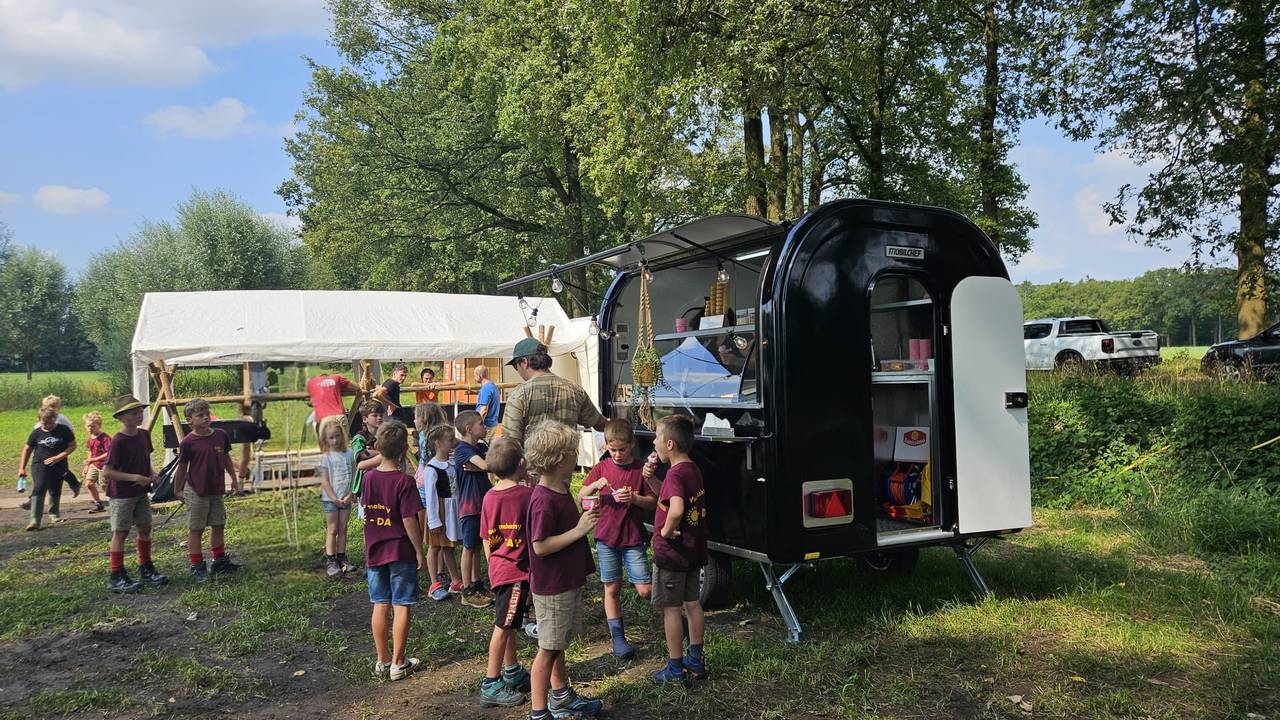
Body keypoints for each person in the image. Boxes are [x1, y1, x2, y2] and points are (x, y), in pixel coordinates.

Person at [525, 420, 603, 720]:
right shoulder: (543, 500)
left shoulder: (558, 487)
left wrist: (583, 514)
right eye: (572, 451)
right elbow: (540, 546)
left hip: (565, 580)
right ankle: (539, 711)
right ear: (560, 459)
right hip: (553, 586)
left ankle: (560, 695)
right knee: (548, 649)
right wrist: (579, 530)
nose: (576, 454)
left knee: (557, 644)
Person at [578, 419, 654, 659]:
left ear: (632, 444)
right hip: (606, 537)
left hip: (632, 536)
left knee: (644, 589)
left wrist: (635, 499)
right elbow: (581, 493)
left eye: (622, 449)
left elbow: (653, 502)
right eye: (613, 450)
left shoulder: (639, 469)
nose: (618, 455)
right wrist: (595, 486)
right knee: (612, 587)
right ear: (606, 448)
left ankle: (677, 614)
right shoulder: (602, 468)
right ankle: (618, 638)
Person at [361, 420, 425, 681]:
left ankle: (382, 659)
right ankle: (399, 662)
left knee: (380, 604)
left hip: (374, 551)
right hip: (400, 551)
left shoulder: (368, 478)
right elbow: (410, 519)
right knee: (401, 605)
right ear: (403, 451)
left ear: (377, 447)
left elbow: (366, 512)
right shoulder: (404, 482)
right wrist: (419, 550)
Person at [649, 415, 709, 683]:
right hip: (693, 551)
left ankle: (675, 668)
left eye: (657, 437)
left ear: (670, 444)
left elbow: (677, 508)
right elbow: (672, 497)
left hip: (672, 555)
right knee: (692, 604)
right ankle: (695, 660)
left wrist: (664, 530)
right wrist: (651, 483)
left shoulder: (674, 474)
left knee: (671, 610)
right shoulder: (692, 469)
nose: (653, 441)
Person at [477, 437, 533, 708]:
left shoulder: (489, 496)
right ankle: (491, 682)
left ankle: (511, 670)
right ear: (522, 463)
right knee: (503, 626)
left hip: (498, 568)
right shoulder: (526, 496)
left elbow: (486, 537)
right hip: (515, 573)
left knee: (509, 622)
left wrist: (492, 564)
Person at [100, 395, 168, 593]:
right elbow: (108, 472)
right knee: (121, 532)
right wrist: (134, 478)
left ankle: (146, 568)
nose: (140, 415)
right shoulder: (118, 441)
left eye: (140, 411)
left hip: (140, 492)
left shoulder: (144, 435)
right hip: (122, 494)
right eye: (134, 412)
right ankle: (116, 575)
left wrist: (152, 473)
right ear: (121, 417)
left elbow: (146, 459)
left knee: (145, 527)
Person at [173, 398, 240, 583]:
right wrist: (177, 489)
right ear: (190, 420)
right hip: (196, 490)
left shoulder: (220, 435)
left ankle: (219, 561)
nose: (205, 418)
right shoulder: (188, 442)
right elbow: (182, 466)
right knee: (197, 528)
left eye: (207, 414)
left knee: (218, 524)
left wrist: (233, 479)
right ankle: (197, 566)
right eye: (200, 415)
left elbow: (226, 458)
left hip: (216, 489)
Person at [500, 338, 607, 446]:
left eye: (515, 366)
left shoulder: (519, 395)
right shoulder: (575, 390)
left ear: (524, 362)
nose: (517, 370)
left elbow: (509, 442)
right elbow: (600, 424)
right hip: (567, 462)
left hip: (531, 462)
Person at [452, 410, 494, 608]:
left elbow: (486, 465)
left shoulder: (480, 447)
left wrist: (483, 467)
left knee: (477, 546)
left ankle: (477, 583)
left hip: (482, 505)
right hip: (470, 506)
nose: (484, 427)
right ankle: (467, 588)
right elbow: (487, 465)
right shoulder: (463, 450)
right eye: (481, 424)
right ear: (469, 429)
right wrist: (484, 467)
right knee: (469, 547)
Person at [422, 423, 463, 600]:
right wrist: (433, 521)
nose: (454, 442)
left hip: (451, 510)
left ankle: (455, 580)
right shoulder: (432, 468)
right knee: (435, 546)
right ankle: (434, 584)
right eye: (450, 440)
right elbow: (431, 496)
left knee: (448, 547)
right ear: (438, 443)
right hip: (439, 511)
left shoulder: (452, 463)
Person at [19, 406, 77, 530]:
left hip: (59, 463)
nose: (48, 426)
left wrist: (60, 456)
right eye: (44, 423)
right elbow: (27, 449)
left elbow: (72, 445)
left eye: (50, 423)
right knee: (39, 486)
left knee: (55, 488)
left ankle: (54, 515)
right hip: (39, 464)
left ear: (55, 419)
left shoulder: (64, 430)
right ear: (39, 420)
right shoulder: (36, 433)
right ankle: (35, 520)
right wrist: (21, 468)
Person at [316, 415, 357, 577]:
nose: (335, 440)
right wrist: (334, 498)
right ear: (325, 439)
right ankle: (331, 560)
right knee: (332, 529)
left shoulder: (349, 453)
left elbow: (354, 475)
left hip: (346, 497)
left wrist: (350, 494)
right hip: (330, 500)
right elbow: (324, 481)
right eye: (331, 438)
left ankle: (342, 557)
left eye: (337, 436)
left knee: (343, 528)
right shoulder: (324, 458)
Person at [351, 400, 385, 516]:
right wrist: (383, 453)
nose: (379, 418)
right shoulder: (360, 437)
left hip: (384, 480)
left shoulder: (386, 434)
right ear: (365, 419)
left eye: (381, 415)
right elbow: (360, 455)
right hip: (366, 484)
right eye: (375, 415)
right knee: (369, 516)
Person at [81, 411, 110, 513]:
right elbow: (90, 452)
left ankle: (114, 501)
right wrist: (87, 465)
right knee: (88, 484)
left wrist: (94, 459)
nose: (90, 428)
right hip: (94, 465)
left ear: (99, 425)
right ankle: (98, 504)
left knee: (104, 485)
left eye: (93, 426)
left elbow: (108, 453)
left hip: (104, 466)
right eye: (88, 426)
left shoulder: (105, 438)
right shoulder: (90, 439)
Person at [474, 365, 501, 445]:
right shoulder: (493, 386)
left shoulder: (485, 389)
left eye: (475, 376)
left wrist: (478, 425)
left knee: (483, 448)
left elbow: (484, 410)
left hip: (486, 425)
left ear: (480, 376)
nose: (474, 378)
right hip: (492, 423)